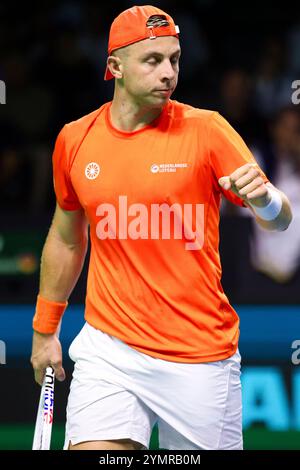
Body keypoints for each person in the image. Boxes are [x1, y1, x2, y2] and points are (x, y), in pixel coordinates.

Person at [30, 5, 292, 451]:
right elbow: (67, 235)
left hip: (198, 357)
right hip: (109, 349)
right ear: (114, 67)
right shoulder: (74, 140)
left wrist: (264, 200)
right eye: (152, 60)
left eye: (174, 59)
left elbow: (281, 220)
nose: (168, 72)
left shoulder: (207, 130)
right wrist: (44, 330)